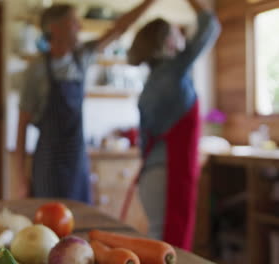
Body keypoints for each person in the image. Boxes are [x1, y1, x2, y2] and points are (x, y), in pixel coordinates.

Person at [15, 1, 156, 203]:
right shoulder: (36, 71)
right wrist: (21, 179)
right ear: (55, 29)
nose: (80, 27)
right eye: (73, 22)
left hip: (77, 161)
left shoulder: (82, 57)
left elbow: (119, 28)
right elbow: (22, 126)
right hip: (47, 165)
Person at [123, 0, 221, 250]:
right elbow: (209, 25)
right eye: (178, 34)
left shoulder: (154, 81)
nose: (183, 39)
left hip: (154, 178)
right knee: (169, 249)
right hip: (168, 177)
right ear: (167, 42)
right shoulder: (174, 71)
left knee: (162, 246)